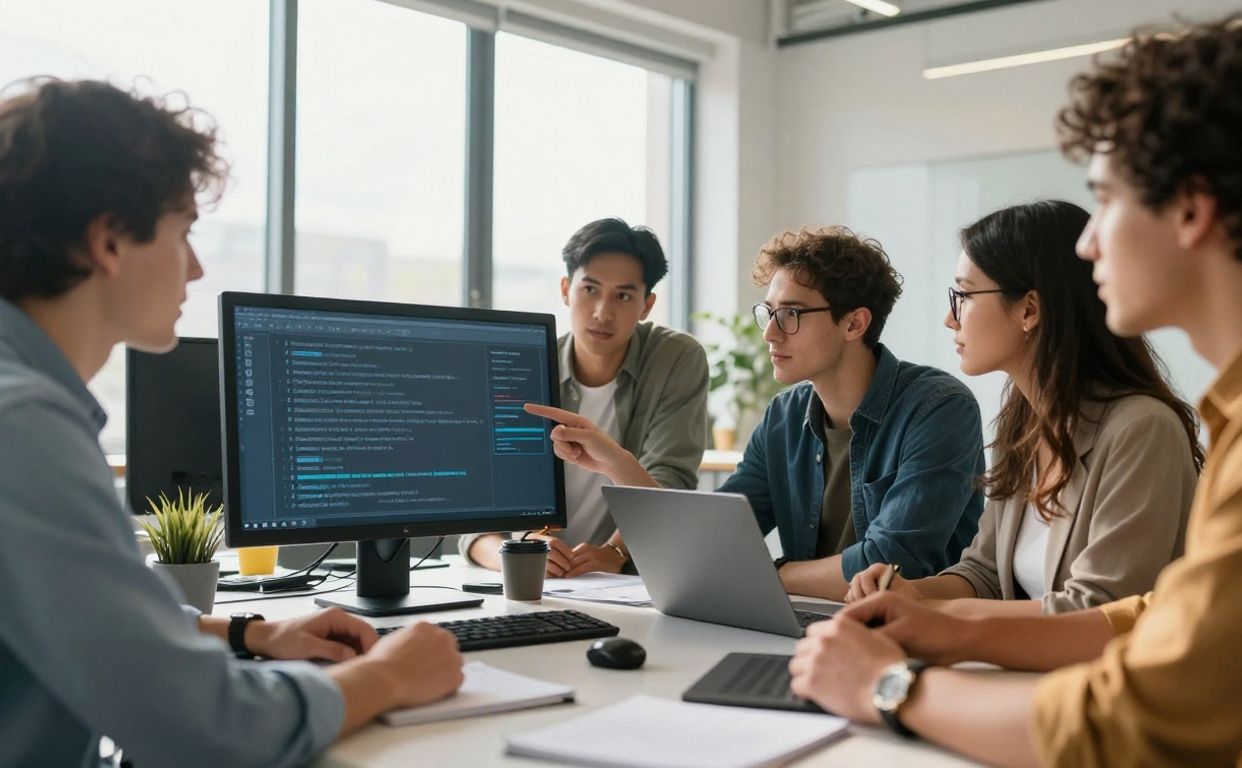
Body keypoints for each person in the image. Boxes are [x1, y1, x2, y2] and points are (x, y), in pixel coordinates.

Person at [789, 16, 1242, 767]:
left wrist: (893, 689)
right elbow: (1167, 617)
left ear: (1191, 209)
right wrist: (955, 626)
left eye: (1105, 202)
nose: (1089, 243)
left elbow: (1144, 720)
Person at [0, 78, 463, 768]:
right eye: (184, 231)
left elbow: (86, 621)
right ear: (108, 242)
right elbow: (204, 728)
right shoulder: (24, 427)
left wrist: (250, 632)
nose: (196, 266)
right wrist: (391, 674)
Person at [529, 226, 985, 601]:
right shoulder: (784, 417)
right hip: (807, 623)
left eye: (790, 314)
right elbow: (710, 539)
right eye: (768, 312)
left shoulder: (938, 408)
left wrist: (765, 575)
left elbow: (889, 562)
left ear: (854, 323)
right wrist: (617, 463)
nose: (769, 332)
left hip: (914, 635)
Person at [846, 200, 1201, 614]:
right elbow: (983, 575)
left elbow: (1100, 611)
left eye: (963, 294)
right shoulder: (1024, 426)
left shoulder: (1142, 429)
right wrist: (908, 594)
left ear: (1029, 309)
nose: (950, 317)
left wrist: (942, 620)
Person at [460, 218, 708, 578]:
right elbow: (477, 513)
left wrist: (615, 551)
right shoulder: (522, 367)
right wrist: (515, 558)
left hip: (625, 581)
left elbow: (670, 485)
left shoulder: (675, 359)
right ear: (565, 289)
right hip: (537, 582)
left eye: (623, 296)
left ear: (647, 305)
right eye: (590, 289)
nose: (602, 313)